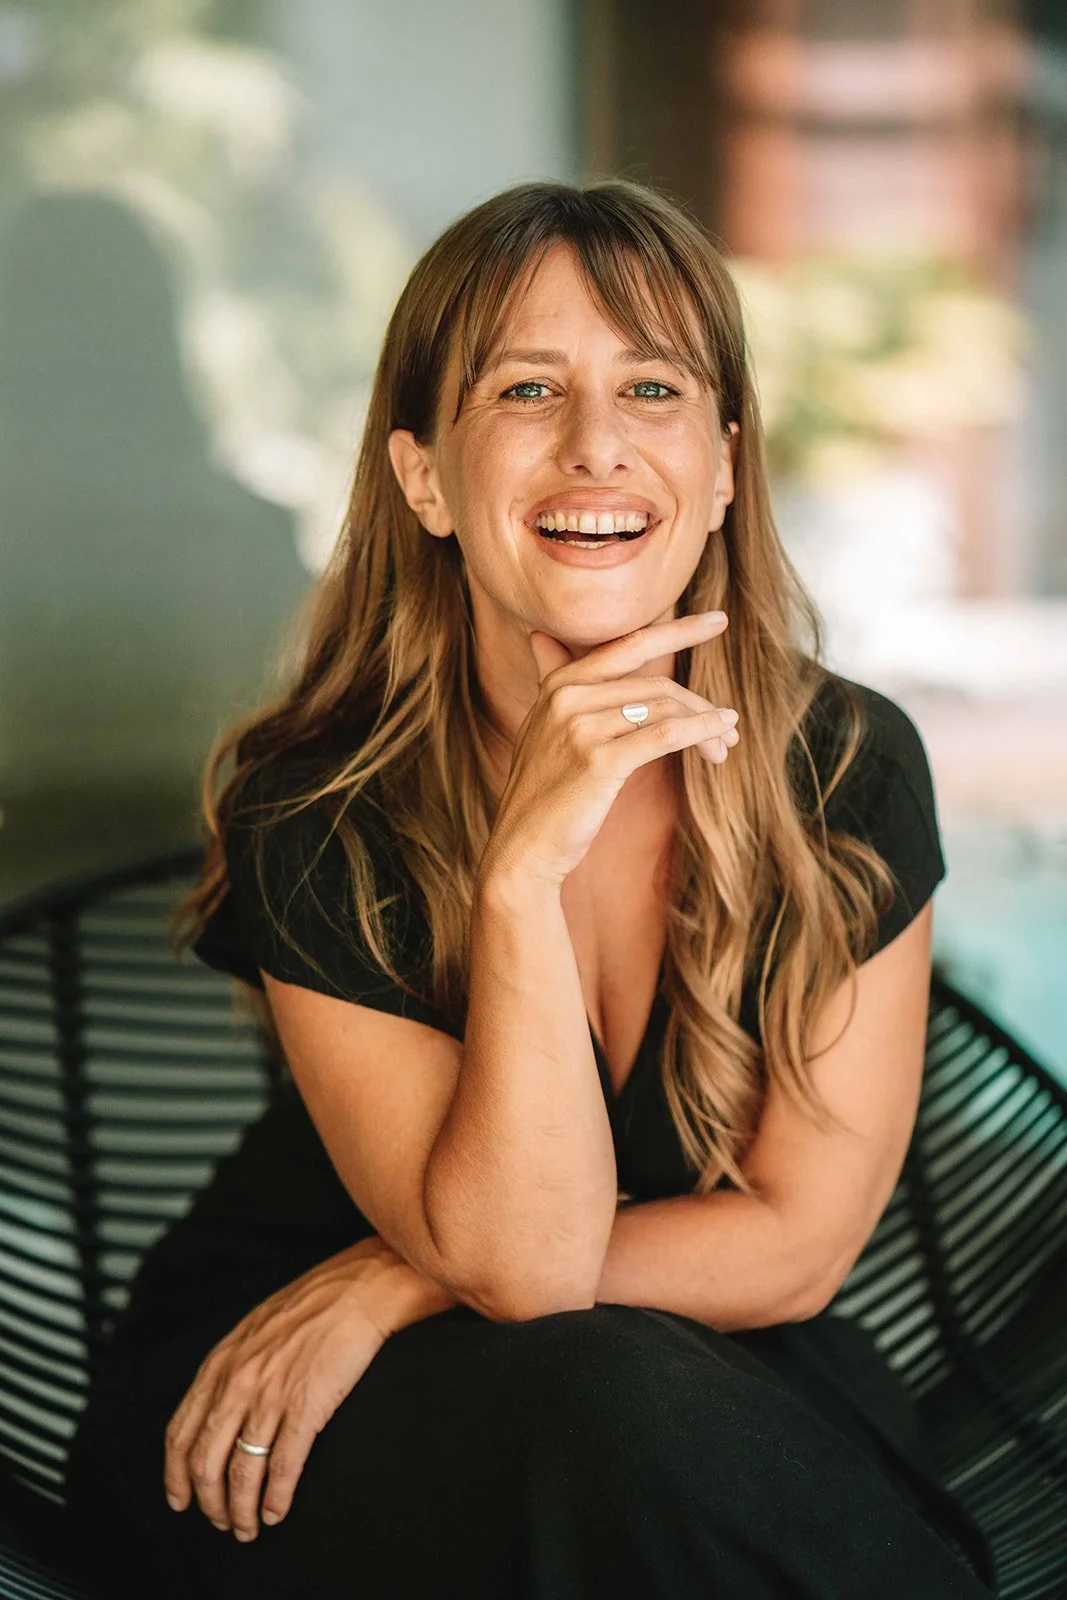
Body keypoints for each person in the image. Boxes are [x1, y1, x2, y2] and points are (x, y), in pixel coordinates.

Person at [66, 179, 998, 1599]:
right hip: (296, 1421)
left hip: (669, 1361)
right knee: (606, 1406)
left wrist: (394, 1276)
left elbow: (797, 1248)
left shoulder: (846, 769)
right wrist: (522, 876)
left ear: (725, 468)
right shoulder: (316, 801)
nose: (595, 444)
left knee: (638, 1412)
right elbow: (523, 1267)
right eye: (525, 389)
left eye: (650, 387)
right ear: (425, 479)